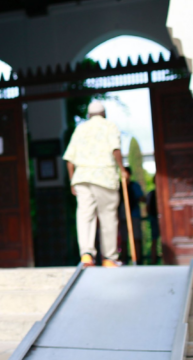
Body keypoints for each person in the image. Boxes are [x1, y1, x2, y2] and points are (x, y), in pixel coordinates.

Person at [63, 100, 126, 268]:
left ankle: (87, 255)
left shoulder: (80, 129)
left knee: (85, 216)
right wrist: (123, 169)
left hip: (82, 177)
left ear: (89, 115)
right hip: (104, 177)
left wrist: (72, 181)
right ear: (103, 114)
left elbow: (69, 159)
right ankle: (110, 258)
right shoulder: (110, 126)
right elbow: (115, 149)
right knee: (107, 217)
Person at [118, 166, 144, 265]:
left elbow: (142, 198)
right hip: (123, 216)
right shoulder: (119, 186)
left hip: (134, 215)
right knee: (124, 239)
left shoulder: (134, 186)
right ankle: (124, 260)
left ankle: (138, 260)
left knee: (136, 238)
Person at [145, 189, 161, 264]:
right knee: (154, 240)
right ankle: (153, 260)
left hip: (157, 218)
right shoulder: (151, 193)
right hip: (154, 218)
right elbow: (147, 207)